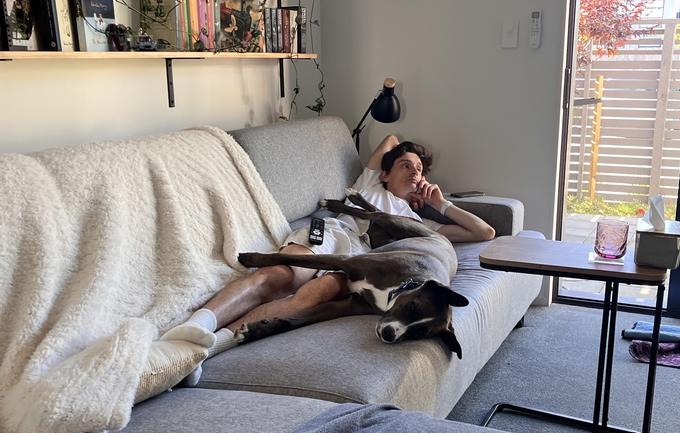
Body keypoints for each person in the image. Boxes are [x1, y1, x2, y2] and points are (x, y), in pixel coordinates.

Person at [160, 135, 495, 383]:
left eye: (420, 170)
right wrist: (405, 153)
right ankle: (196, 325)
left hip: (366, 259)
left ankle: (205, 348)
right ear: (384, 174)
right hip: (336, 232)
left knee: (310, 298)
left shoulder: (422, 224)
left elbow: (484, 233)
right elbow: (389, 139)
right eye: (405, 166)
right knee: (282, 276)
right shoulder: (368, 186)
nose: (414, 172)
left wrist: (440, 203)